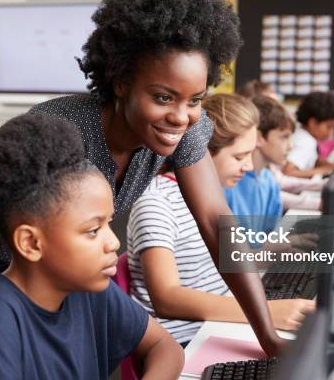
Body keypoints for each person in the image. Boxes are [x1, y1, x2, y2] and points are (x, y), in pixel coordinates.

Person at [0, 0, 286, 357]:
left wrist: (267, 334)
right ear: (121, 82)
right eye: (162, 97)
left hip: (64, 265)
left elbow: (215, 219)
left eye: (195, 99)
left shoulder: (182, 127)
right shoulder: (65, 128)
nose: (180, 116)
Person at [0, 114, 183, 379]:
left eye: (108, 224)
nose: (114, 242)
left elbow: (165, 347)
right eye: (93, 230)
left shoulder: (85, 284)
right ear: (31, 243)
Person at [127, 94, 315, 346]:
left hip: (215, 324)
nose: (248, 166)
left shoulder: (215, 195)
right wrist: (268, 311)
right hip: (184, 342)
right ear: (203, 152)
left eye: (251, 154)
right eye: (239, 157)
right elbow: (167, 297)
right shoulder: (157, 202)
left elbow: (210, 266)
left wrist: (266, 255)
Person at [247, 95, 325, 211]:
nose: (290, 146)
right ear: (259, 138)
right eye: (284, 137)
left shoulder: (266, 176)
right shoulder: (239, 183)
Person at [283, 91, 334, 178]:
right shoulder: (306, 142)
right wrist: (325, 170)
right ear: (313, 123)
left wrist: (330, 165)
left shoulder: (301, 134)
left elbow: (310, 158)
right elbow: (288, 172)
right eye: (329, 126)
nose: (331, 132)